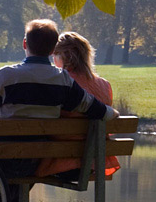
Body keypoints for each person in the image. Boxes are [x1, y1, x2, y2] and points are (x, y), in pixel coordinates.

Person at [0, 19, 118, 202]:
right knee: (20, 157)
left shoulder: (6, 75)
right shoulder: (63, 80)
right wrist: (114, 114)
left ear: (25, 44)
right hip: (34, 160)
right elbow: (97, 109)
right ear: (53, 48)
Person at [36, 31, 120, 180]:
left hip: (59, 163)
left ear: (64, 56)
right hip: (95, 163)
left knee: (19, 161)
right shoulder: (104, 85)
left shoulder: (60, 82)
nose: (53, 59)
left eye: (55, 55)